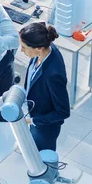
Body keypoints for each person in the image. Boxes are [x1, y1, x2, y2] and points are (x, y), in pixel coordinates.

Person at [19, 23, 70, 152]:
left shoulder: (53, 75)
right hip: (33, 112)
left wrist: (32, 120)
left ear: (39, 48)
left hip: (44, 127)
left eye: (24, 48)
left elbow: (63, 112)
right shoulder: (44, 49)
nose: (21, 51)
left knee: (42, 158)